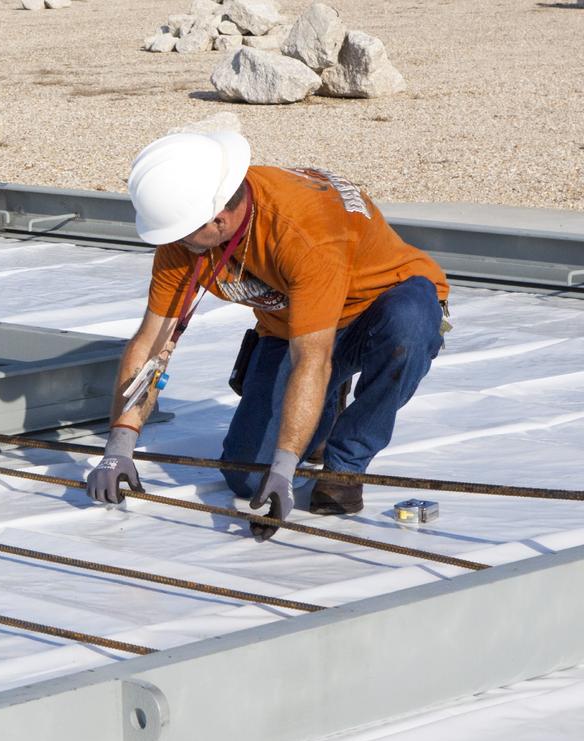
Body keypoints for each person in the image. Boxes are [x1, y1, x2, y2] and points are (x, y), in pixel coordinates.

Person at [86, 130, 448, 539]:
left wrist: (284, 469)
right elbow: (151, 340)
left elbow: (312, 358)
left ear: (219, 218)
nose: (174, 245)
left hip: (376, 313)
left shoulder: (302, 232)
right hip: (292, 328)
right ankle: (318, 418)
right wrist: (118, 447)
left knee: (410, 325)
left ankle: (345, 464)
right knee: (244, 477)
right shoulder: (187, 233)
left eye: (182, 235)